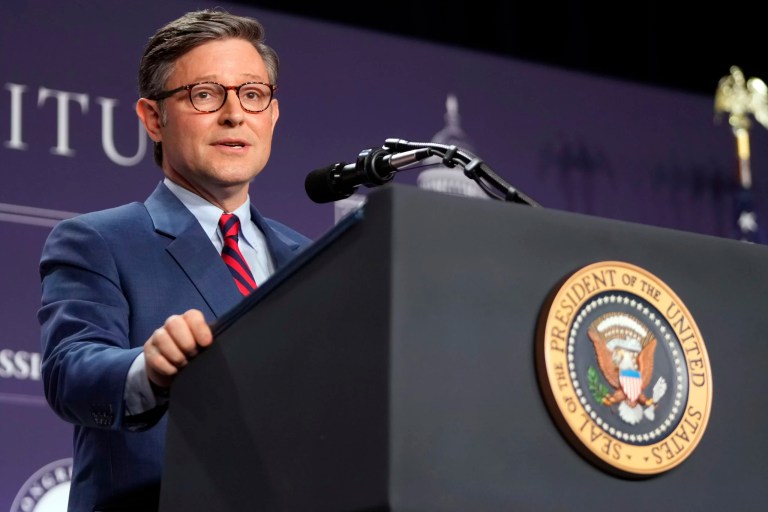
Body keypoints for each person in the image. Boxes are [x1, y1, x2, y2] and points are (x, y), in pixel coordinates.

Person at [38, 9, 312, 511]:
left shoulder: (309, 258)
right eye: (205, 95)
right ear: (152, 118)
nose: (235, 115)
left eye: (253, 95)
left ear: (272, 115)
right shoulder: (98, 240)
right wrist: (150, 369)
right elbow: (69, 372)